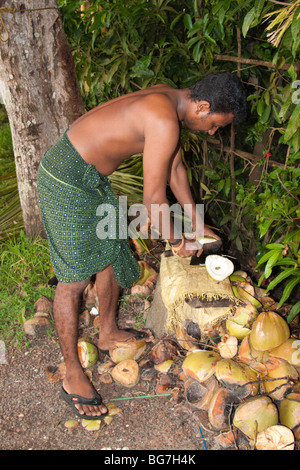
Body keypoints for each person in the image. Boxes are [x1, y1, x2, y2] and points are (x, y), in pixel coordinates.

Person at [37, 72, 247, 420]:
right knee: (73, 280)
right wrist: (177, 240)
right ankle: (72, 375)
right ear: (203, 106)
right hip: (65, 179)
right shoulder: (164, 118)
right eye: (214, 124)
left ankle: (106, 332)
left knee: (111, 249)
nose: (212, 132)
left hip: (89, 177)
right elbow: (153, 199)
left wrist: (196, 223)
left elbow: (175, 167)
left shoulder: (172, 100)